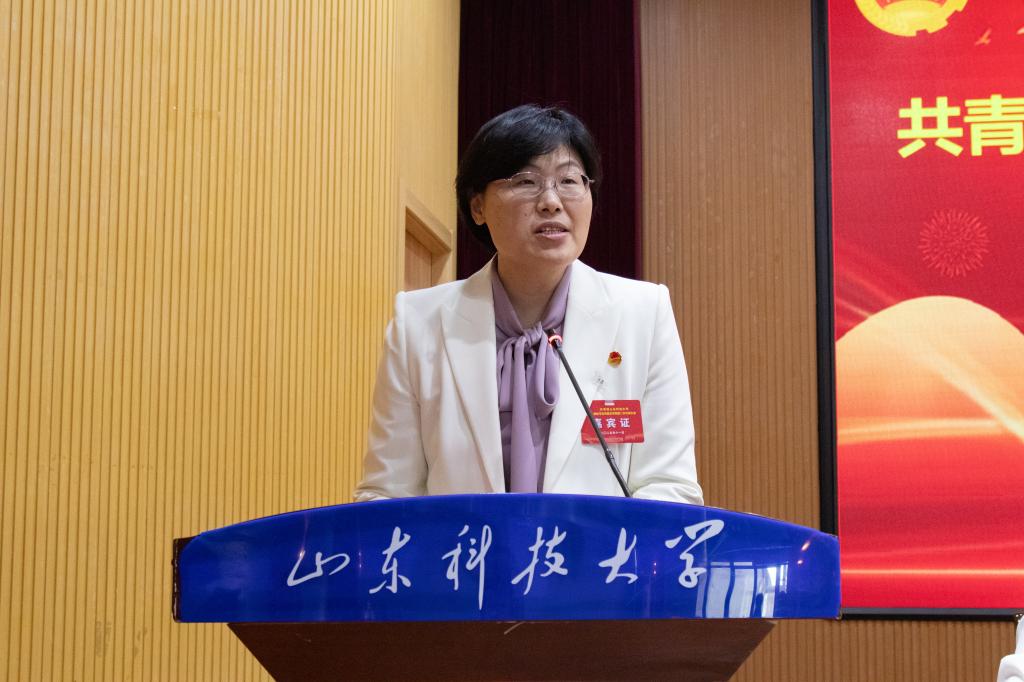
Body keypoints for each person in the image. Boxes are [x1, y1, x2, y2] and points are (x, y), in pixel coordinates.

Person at [355, 105, 703, 504]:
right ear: (478, 206)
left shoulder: (644, 313)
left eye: (569, 180)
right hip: (464, 547)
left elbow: (669, 486)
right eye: (525, 181)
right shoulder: (418, 323)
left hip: (598, 548)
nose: (551, 201)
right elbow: (387, 493)